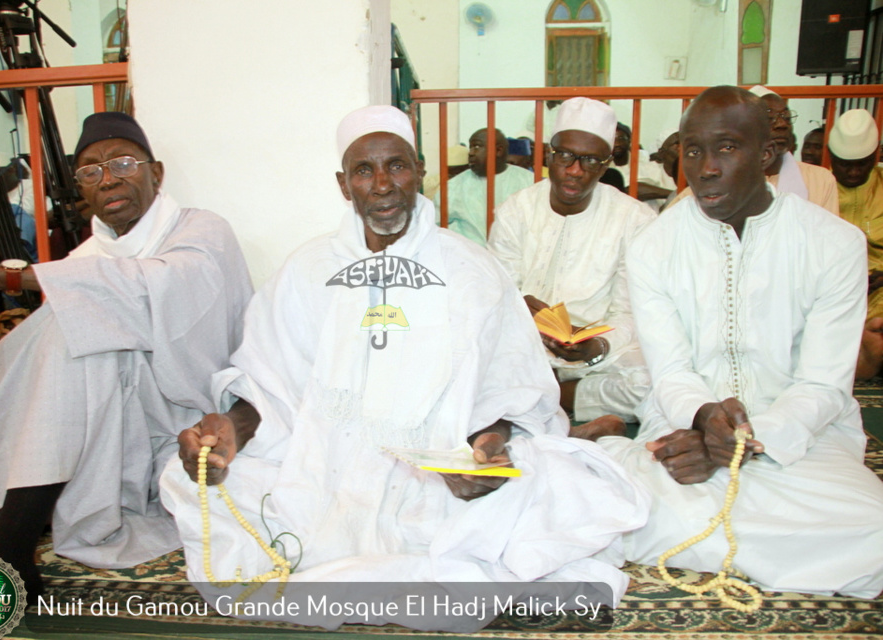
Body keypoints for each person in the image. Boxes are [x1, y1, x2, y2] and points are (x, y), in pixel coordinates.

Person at [160, 105, 649, 631]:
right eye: (364, 171)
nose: (383, 184)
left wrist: (485, 446)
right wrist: (231, 429)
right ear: (343, 185)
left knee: (566, 484)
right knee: (184, 477)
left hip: (437, 473)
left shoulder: (470, 269)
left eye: (396, 166)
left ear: (419, 171)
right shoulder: (306, 271)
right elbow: (269, 382)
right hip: (324, 462)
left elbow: (511, 384)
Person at [0, 112, 253, 617]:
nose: (109, 179)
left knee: (82, 321)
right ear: (81, 189)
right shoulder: (83, 258)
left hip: (186, 420)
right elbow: (101, 288)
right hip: (106, 429)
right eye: (91, 172)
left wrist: (0, 278)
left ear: (156, 172)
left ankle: (7, 552)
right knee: (65, 330)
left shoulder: (203, 230)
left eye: (123, 162)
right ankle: (4, 552)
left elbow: (148, 287)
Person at [600, 86, 883, 598]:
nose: (705, 168)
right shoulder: (652, 248)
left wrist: (747, 442)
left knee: (875, 531)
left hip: (800, 439)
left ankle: (707, 533)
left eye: (726, 148)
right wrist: (706, 420)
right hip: (687, 430)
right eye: (692, 150)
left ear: (767, 154)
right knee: (604, 510)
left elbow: (822, 384)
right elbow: (671, 374)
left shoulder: (835, 244)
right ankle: (779, 547)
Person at [488, 98, 655, 425]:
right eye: (565, 156)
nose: (575, 170)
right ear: (549, 154)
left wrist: (598, 347)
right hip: (522, 347)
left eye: (590, 160)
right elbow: (495, 291)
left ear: (607, 165)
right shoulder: (516, 210)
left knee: (653, 384)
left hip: (593, 356)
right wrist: (520, 306)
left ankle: (539, 402)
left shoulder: (634, 220)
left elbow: (629, 311)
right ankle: (565, 407)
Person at [667, 86, 839, 215]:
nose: (782, 124)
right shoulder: (712, 186)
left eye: (786, 117)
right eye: (770, 118)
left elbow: (829, 243)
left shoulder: (820, 180)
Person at [826, 109, 883, 378]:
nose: (853, 171)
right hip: (833, 291)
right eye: (845, 164)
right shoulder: (817, 187)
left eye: (862, 163)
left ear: (875, 156)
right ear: (832, 158)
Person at [436, 127, 534, 246]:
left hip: (517, 260)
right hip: (468, 260)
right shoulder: (454, 186)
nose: (471, 153)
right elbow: (435, 226)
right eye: (470, 147)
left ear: (498, 150)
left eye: (477, 146)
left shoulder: (528, 181)